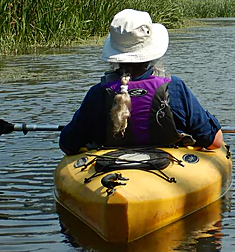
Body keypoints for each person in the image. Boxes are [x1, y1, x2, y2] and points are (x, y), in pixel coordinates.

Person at [59, 9, 224, 155]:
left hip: (111, 170)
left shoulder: (98, 93)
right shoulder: (174, 87)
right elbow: (214, 141)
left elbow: (68, 145)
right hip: (169, 172)